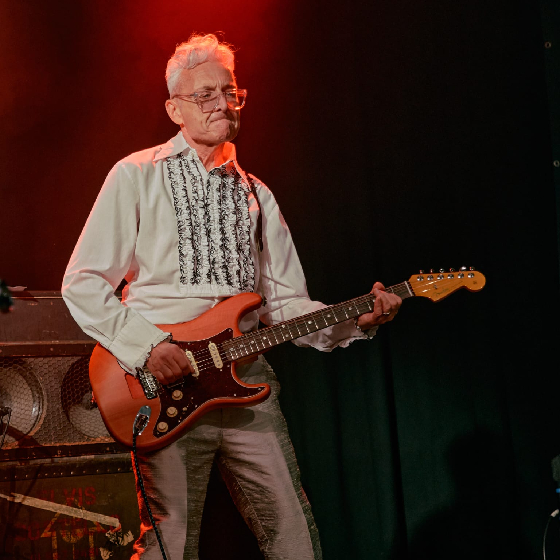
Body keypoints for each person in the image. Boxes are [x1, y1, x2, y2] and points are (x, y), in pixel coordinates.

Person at [62, 34, 402, 560]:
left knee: (294, 538)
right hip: (160, 381)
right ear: (174, 108)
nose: (221, 104)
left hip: (246, 378)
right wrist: (148, 347)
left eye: (230, 92)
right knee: (170, 543)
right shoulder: (136, 175)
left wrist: (359, 320)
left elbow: (287, 306)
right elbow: (82, 281)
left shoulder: (257, 195)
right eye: (204, 95)